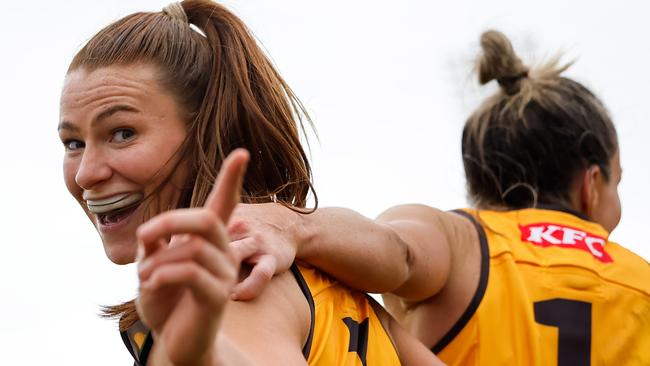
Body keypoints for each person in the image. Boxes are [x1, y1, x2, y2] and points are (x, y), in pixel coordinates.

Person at [229, 30, 650, 365]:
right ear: (591, 185)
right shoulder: (641, 281)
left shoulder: (465, 242)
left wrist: (294, 226)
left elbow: (399, 254)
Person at [58, 1, 444, 365]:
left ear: (206, 135)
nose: (85, 173)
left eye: (122, 133)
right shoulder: (325, 279)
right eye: (73, 143)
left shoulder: (237, 291)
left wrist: (200, 353)